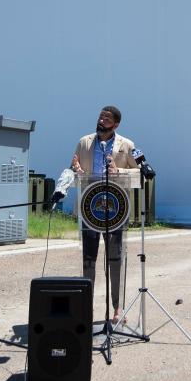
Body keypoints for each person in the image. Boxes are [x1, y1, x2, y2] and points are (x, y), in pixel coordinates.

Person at [70, 106, 140, 323]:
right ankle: (86, 308)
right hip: (90, 209)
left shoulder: (127, 145)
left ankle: (117, 309)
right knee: (88, 260)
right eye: (100, 116)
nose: (101, 120)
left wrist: (119, 171)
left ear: (116, 124)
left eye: (107, 118)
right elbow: (71, 170)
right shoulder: (84, 142)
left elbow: (141, 172)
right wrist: (77, 172)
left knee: (116, 259)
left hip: (115, 211)